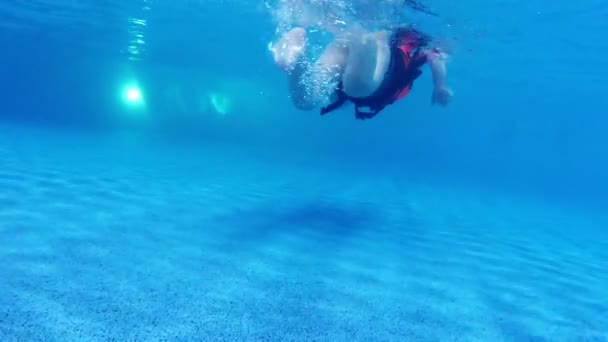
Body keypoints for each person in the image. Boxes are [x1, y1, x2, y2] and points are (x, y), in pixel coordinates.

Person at [270, 25, 453, 120]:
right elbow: (435, 56)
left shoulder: (340, 93)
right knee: (358, 86)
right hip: (379, 46)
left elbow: (436, 56)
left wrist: (440, 85)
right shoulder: (413, 43)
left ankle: (295, 55)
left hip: (351, 41)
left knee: (306, 99)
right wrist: (441, 85)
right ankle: (366, 35)